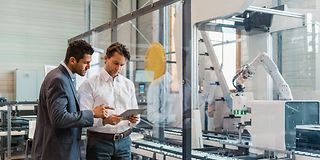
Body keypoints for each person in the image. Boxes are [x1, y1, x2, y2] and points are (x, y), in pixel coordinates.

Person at [31, 40, 110, 160]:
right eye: (86, 63)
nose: (88, 67)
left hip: (61, 150)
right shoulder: (59, 79)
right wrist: (92, 113)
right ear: (72, 60)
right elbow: (59, 119)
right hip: (57, 152)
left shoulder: (62, 76)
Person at [78, 42, 140, 160]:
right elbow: (83, 119)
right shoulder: (89, 84)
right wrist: (105, 121)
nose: (118, 68)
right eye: (115, 63)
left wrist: (134, 119)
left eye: (122, 65)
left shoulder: (128, 85)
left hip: (124, 142)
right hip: (99, 143)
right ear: (106, 58)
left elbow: (136, 114)